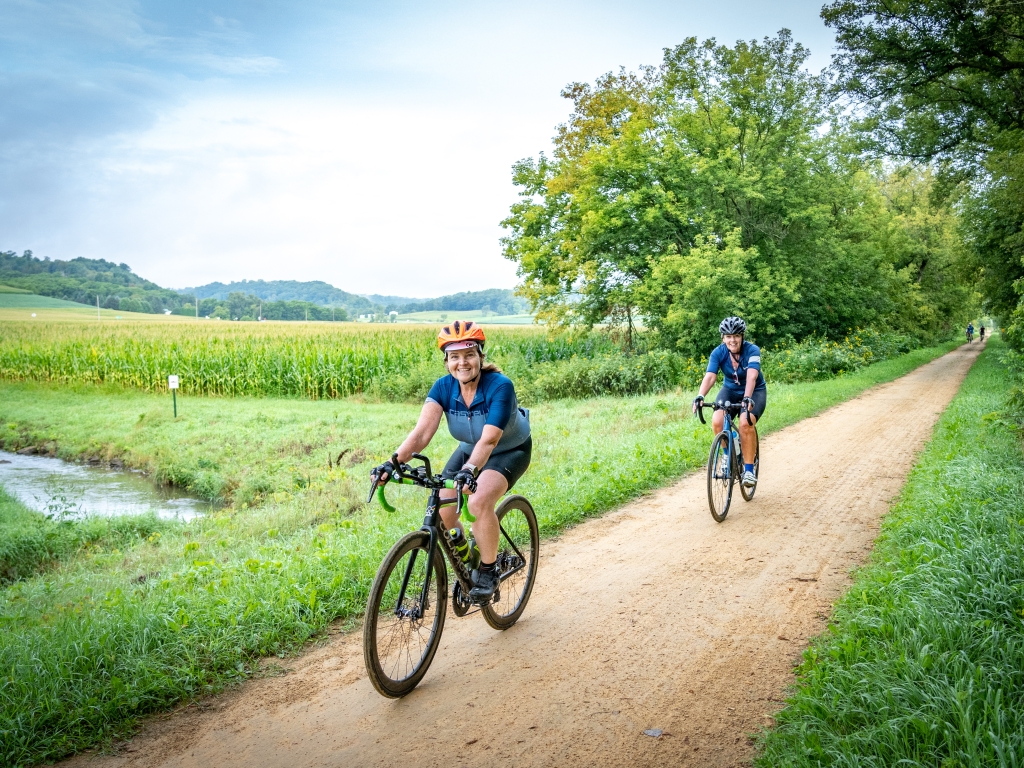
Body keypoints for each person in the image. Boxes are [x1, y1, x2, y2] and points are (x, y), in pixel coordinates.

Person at [372, 320, 531, 604]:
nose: (463, 362)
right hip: (469, 449)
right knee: (445, 510)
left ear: (480, 357)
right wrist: (391, 463)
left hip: (508, 449)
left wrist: (470, 470)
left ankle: (488, 569)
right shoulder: (443, 388)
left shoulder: (500, 386)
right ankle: (468, 555)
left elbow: (490, 440)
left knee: (477, 501)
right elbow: (421, 434)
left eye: (469, 354)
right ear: (446, 362)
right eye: (454, 356)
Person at [691, 316, 767, 488]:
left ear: (742, 336)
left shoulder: (752, 350)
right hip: (730, 390)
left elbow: (752, 376)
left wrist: (747, 398)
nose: (732, 340)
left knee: (745, 423)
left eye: (736, 336)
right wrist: (700, 395)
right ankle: (728, 455)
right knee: (717, 421)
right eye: (728, 336)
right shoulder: (718, 352)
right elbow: (710, 376)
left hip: (754, 391)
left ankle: (748, 470)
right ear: (723, 338)